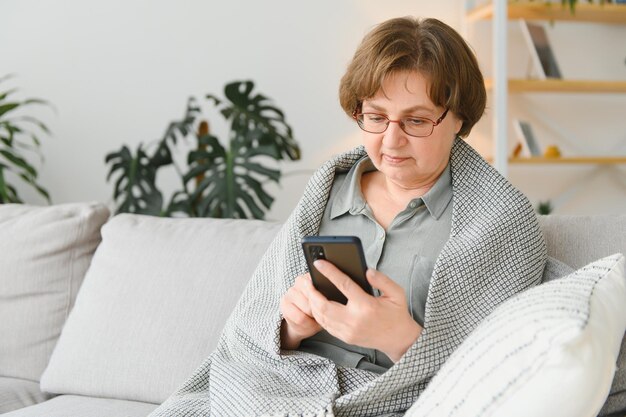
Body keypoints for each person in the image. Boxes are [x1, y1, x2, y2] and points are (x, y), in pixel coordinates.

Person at [151, 17, 547, 417]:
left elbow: (499, 375)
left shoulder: (499, 222)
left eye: (416, 120)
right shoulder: (328, 190)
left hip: (388, 401)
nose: (392, 140)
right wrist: (292, 327)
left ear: (459, 118)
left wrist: (403, 340)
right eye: (376, 117)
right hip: (282, 388)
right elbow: (249, 331)